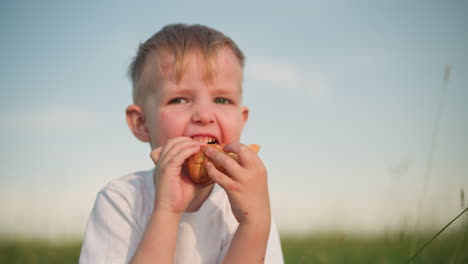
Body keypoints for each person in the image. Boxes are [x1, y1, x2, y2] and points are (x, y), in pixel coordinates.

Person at [79, 23, 284, 263]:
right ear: (142, 123)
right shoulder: (122, 200)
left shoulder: (246, 206)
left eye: (222, 99)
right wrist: (167, 211)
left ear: (242, 120)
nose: (204, 114)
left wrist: (254, 225)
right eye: (179, 99)